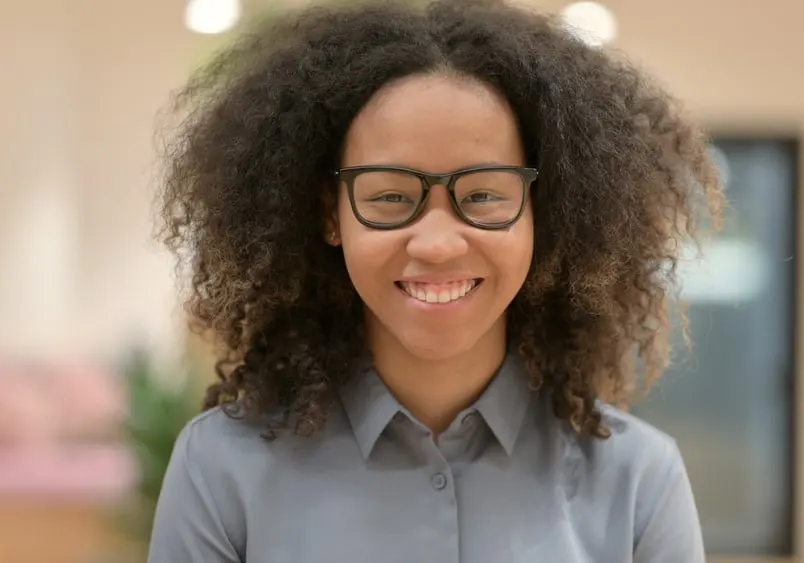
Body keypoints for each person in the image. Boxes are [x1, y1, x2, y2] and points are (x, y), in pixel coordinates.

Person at [149, 0, 722, 561]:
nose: (439, 243)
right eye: (392, 197)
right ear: (331, 214)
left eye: (483, 196)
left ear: (541, 212)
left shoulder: (637, 480)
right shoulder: (222, 468)